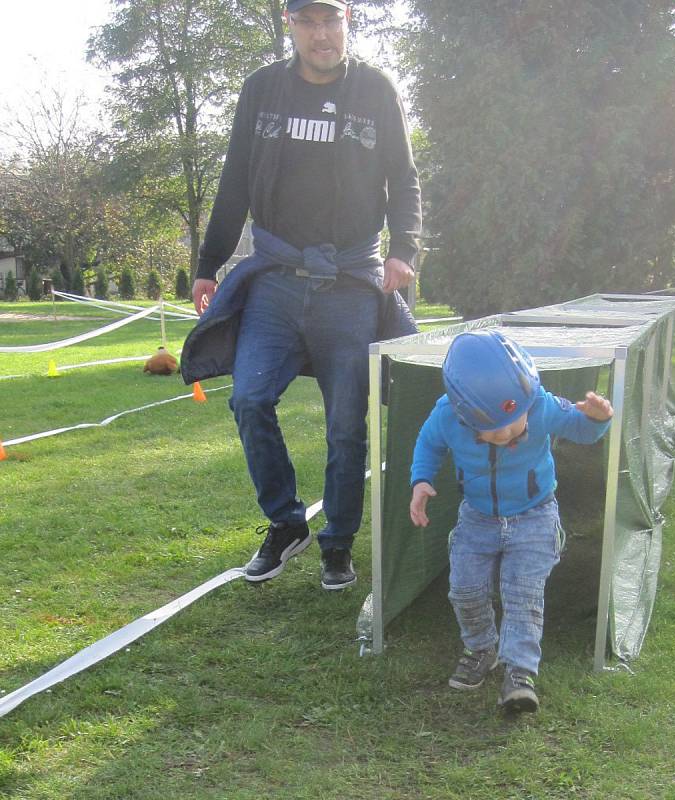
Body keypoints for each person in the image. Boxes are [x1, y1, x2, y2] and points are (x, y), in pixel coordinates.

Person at [181, 0, 421, 591]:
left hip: (349, 284)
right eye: (308, 21)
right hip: (277, 278)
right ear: (289, 24)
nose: (321, 34)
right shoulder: (262, 89)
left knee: (346, 423)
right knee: (249, 398)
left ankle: (337, 543)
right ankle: (286, 523)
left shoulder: (376, 90)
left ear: (347, 22)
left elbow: (405, 178)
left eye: (331, 20)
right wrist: (209, 264)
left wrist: (405, 250)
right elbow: (235, 176)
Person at [409, 331, 613, 712]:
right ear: (463, 414)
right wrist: (421, 481)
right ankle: (481, 648)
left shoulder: (540, 404)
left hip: (535, 515)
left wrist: (598, 420)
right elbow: (428, 444)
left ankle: (520, 673)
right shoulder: (446, 415)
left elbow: (580, 430)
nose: (507, 434)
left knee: (522, 594)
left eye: (514, 421)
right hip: (477, 517)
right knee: (464, 589)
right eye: (494, 429)